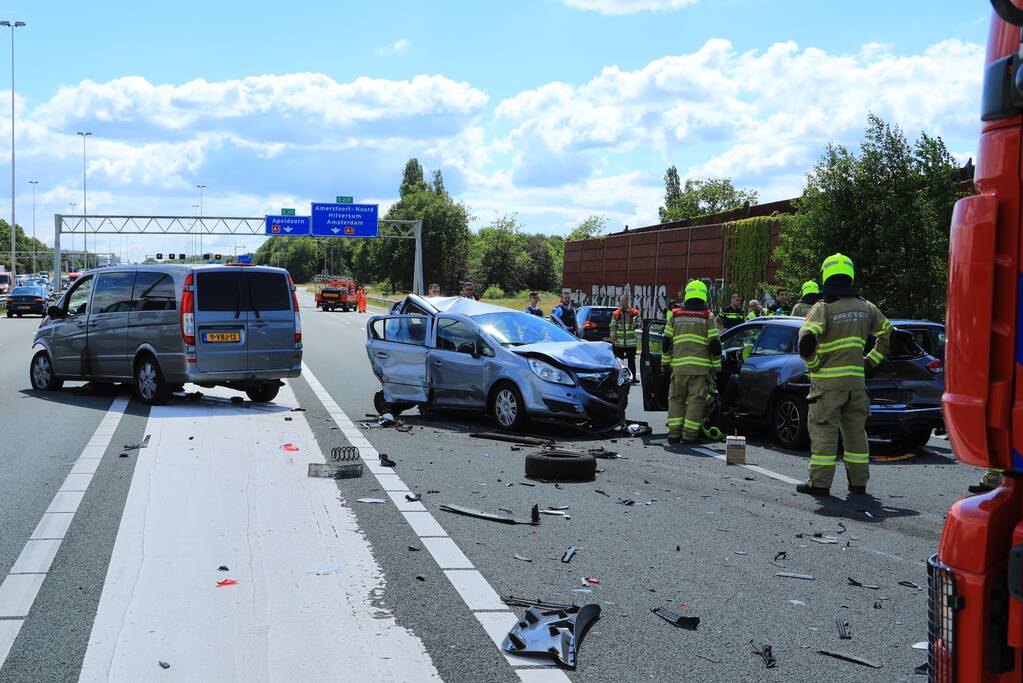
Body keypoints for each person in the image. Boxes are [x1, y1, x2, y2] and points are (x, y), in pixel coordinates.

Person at [796, 252, 891, 496]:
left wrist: (815, 363)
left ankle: (820, 484)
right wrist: (871, 362)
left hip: (827, 386)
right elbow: (888, 333)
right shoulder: (866, 307)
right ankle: (859, 484)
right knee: (856, 435)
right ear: (850, 276)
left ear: (826, 277)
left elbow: (806, 342)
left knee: (824, 431)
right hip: (856, 385)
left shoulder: (824, 308)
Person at [662, 280, 721, 444]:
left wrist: (665, 363)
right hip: (699, 370)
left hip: (679, 368)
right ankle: (689, 435)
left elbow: (666, 343)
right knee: (696, 400)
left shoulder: (675, 315)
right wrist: (716, 366)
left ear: (687, 294)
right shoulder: (707, 316)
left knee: (675, 399)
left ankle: (674, 433)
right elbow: (715, 344)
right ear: (703, 296)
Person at [609, 293, 641, 379]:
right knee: (619, 362)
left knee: (631, 361)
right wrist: (613, 339)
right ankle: (621, 377)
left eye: (623, 301)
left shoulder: (634, 312)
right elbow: (613, 327)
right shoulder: (616, 313)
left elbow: (640, 324)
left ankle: (632, 377)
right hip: (619, 343)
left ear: (627, 301)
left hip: (631, 343)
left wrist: (636, 324)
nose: (622, 303)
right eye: (621, 301)